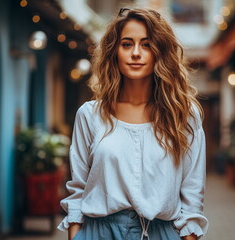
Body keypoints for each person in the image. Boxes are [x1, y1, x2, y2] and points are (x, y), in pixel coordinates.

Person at [58, 7, 208, 240]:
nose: (136, 53)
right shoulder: (90, 115)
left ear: (160, 53)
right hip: (99, 232)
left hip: (161, 231)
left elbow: (192, 196)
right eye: (127, 44)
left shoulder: (184, 115)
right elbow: (78, 188)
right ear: (114, 52)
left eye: (146, 44)